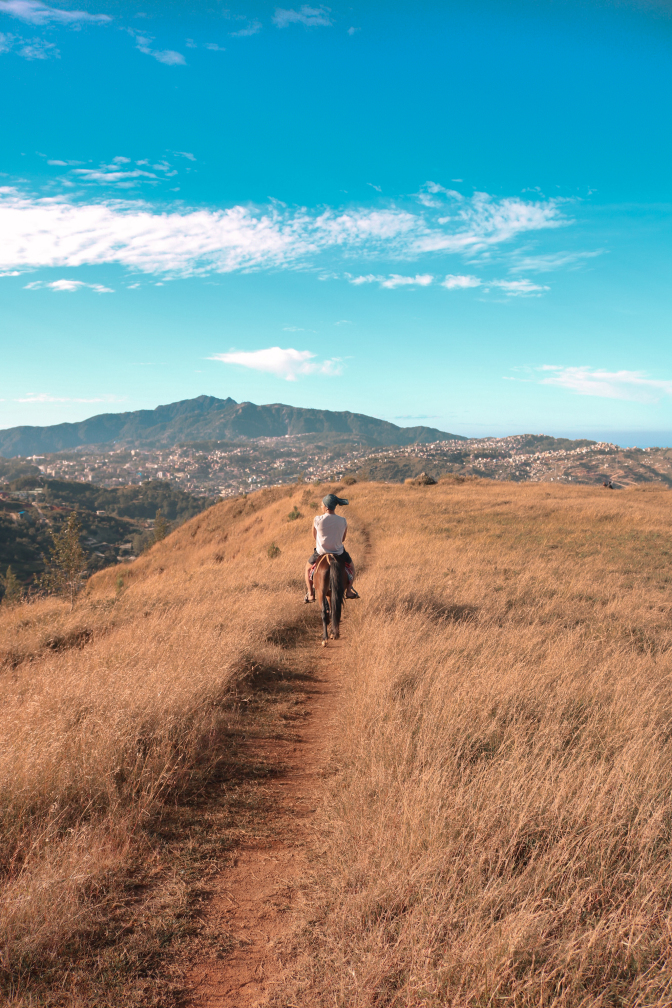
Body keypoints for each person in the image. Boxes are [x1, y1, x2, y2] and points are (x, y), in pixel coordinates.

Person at [304, 493, 359, 602]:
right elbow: (343, 539)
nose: (321, 507)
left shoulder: (317, 519)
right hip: (339, 552)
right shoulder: (343, 520)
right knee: (352, 567)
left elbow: (314, 536)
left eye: (322, 505)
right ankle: (348, 590)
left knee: (307, 569)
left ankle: (310, 594)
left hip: (320, 552)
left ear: (326, 507)